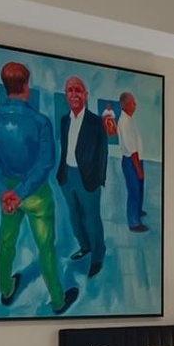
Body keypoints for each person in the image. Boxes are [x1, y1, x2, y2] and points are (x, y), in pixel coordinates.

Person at [0, 62, 76, 315]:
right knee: (46, 247)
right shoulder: (40, 121)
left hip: (7, 194)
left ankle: (6, 289)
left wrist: (5, 191)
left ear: (6, 86)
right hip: (36, 193)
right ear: (26, 85)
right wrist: (22, 193)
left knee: (6, 241)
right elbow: (45, 163)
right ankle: (57, 300)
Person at [55, 75, 108, 276]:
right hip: (67, 177)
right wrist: (61, 174)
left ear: (86, 95)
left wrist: (98, 180)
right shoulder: (64, 121)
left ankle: (98, 257)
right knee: (75, 216)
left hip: (88, 178)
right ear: (66, 95)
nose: (74, 94)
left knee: (92, 219)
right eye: (70, 90)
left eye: (78, 90)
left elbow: (103, 153)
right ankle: (85, 246)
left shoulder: (96, 122)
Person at [116, 91, 147, 233]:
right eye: (133, 103)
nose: (135, 105)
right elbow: (131, 149)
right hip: (131, 161)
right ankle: (134, 222)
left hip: (136, 159)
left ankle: (138, 210)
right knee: (134, 190)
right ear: (126, 105)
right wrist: (138, 169)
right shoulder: (124, 123)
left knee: (139, 188)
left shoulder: (128, 119)